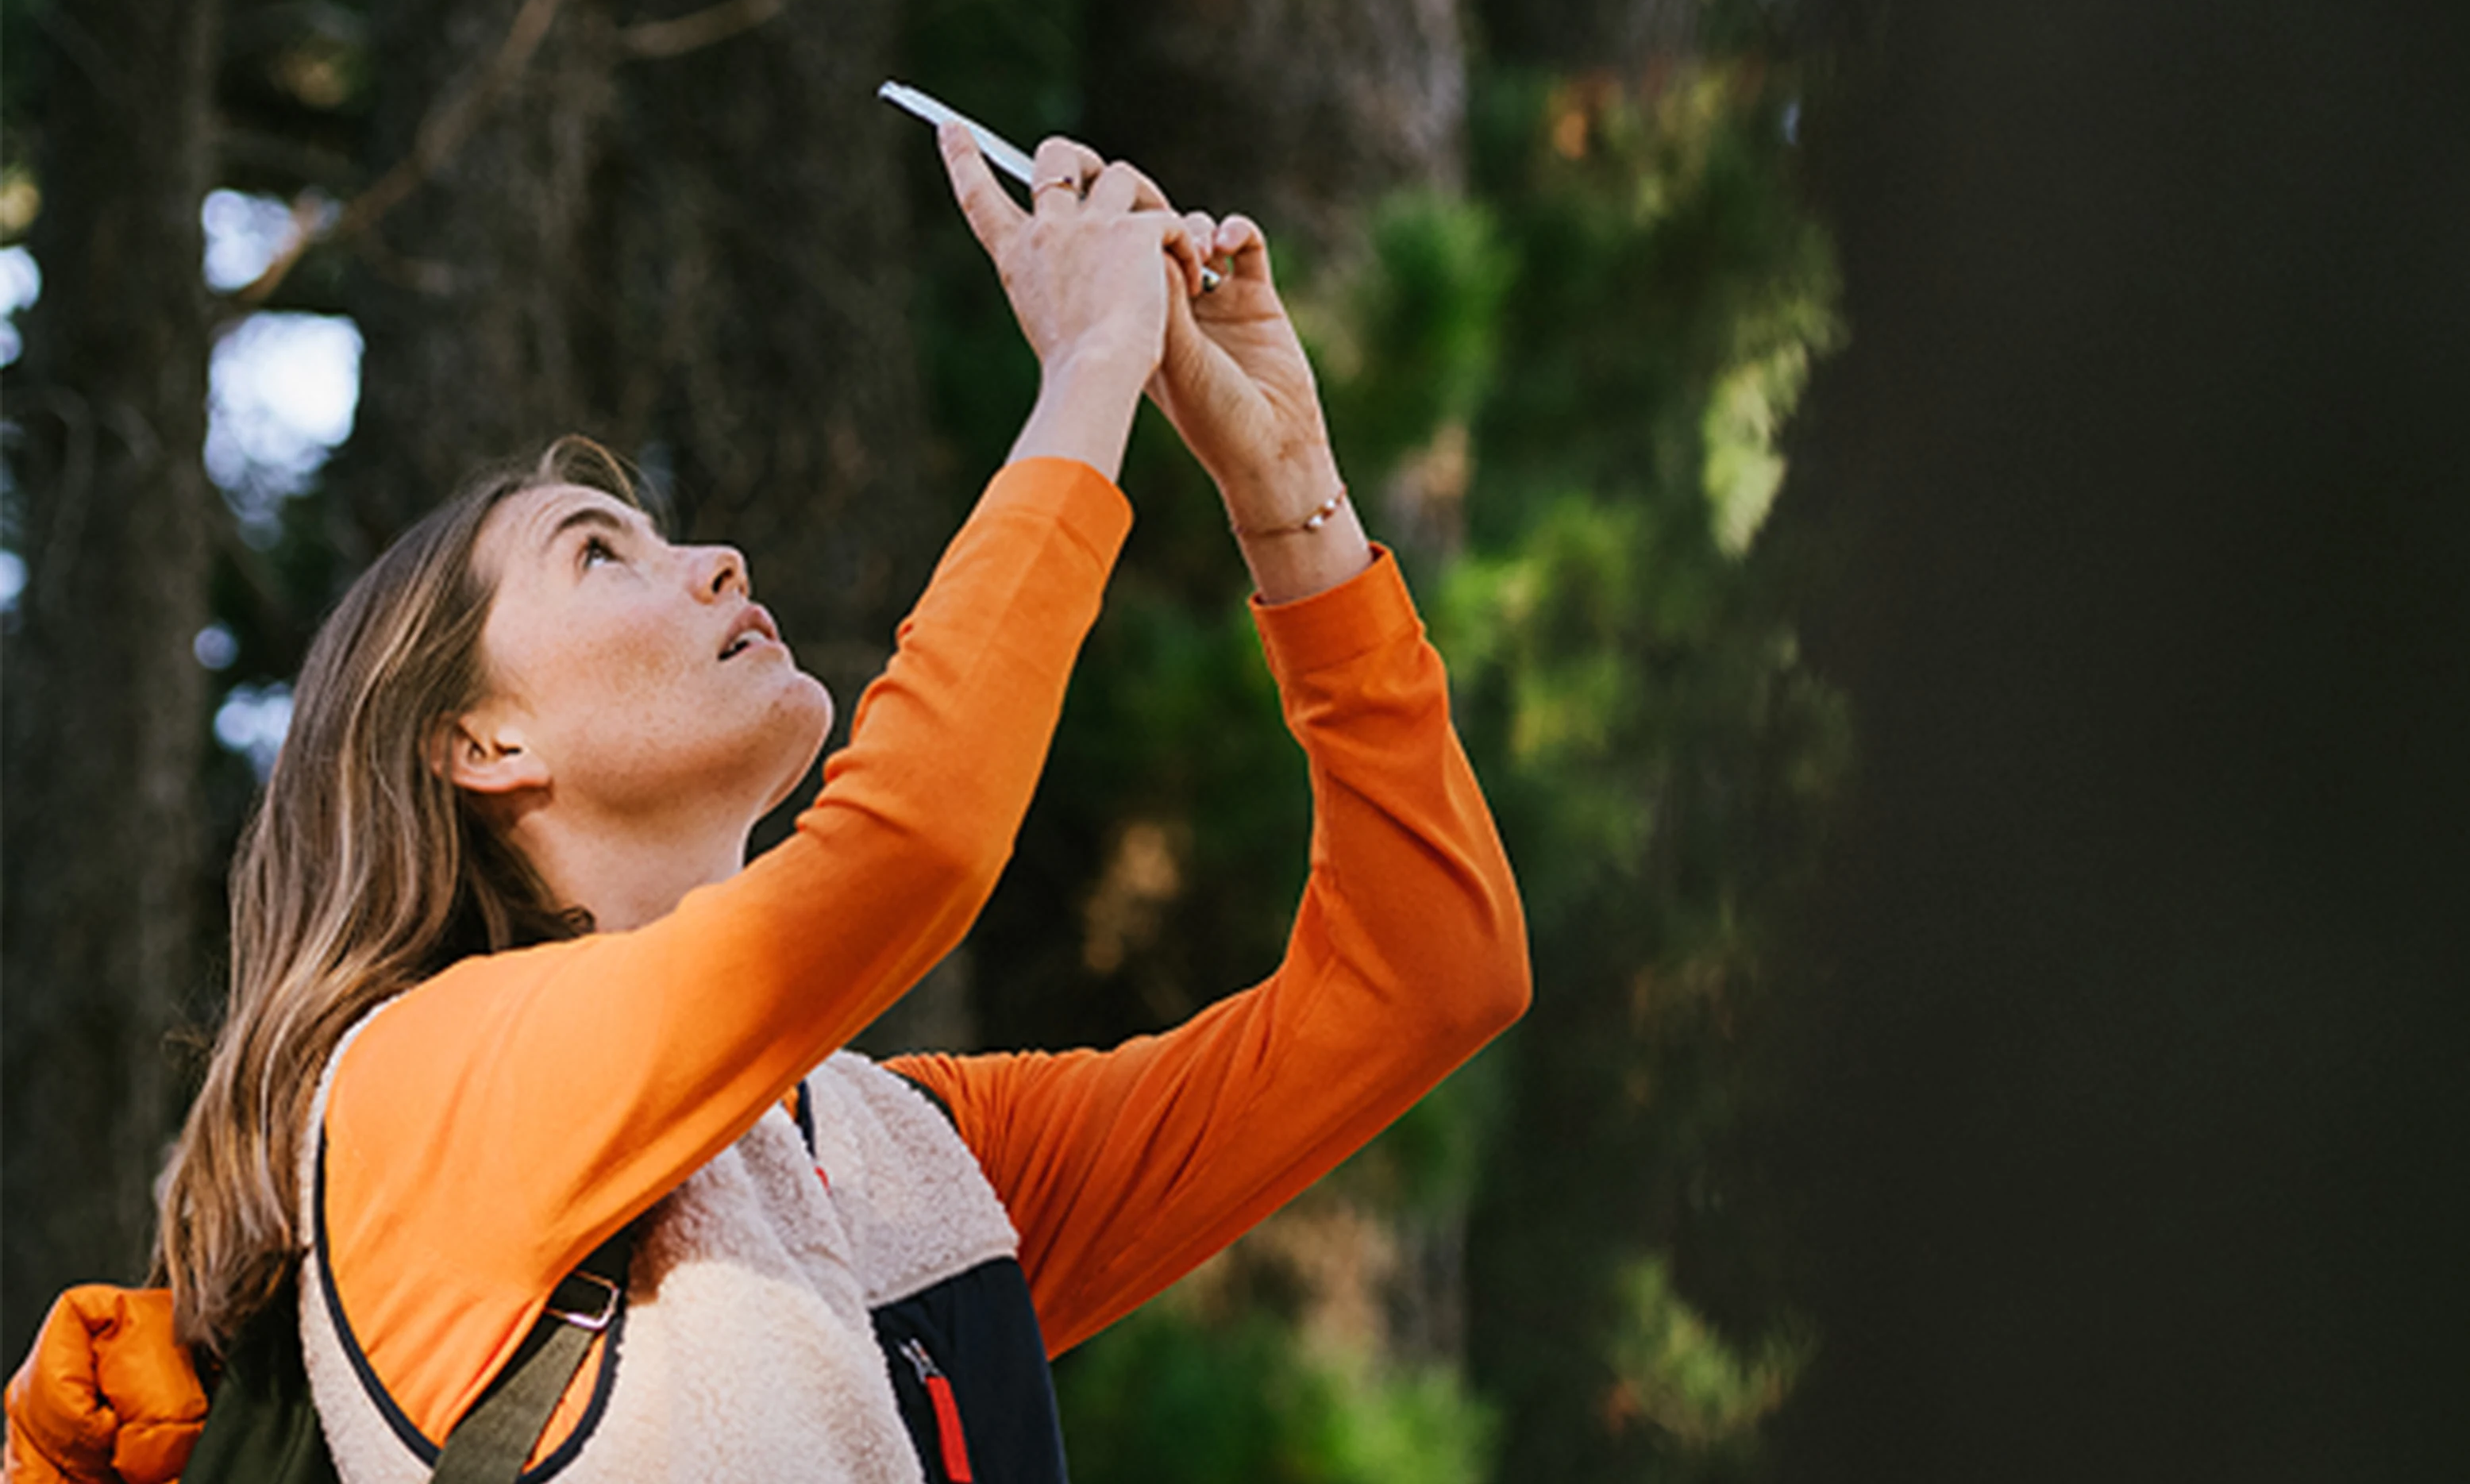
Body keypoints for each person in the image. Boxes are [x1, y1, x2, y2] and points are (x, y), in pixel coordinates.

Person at [4, 127, 1528, 1483]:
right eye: (603, 554)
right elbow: (912, 841)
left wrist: (1286, 490)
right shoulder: (420, 1094)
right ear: (476, 743)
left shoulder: (909, 1163)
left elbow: (1426, 978)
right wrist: (1085, 376)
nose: (713, 562)